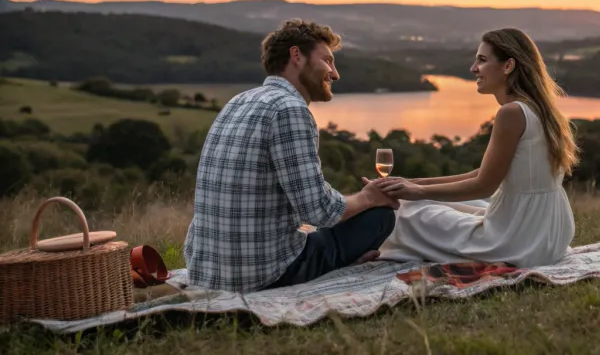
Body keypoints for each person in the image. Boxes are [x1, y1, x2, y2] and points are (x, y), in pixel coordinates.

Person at [184, 19, 398, 292]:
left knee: (321, 230)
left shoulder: (238, 101)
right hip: (261, 273)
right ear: (296, 56)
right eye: (328, 61)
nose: (335, 73)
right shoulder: (290, 110)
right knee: (379, 217)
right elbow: (320, 210)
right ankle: (339, 263)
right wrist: (369, 198)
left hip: (206, 270)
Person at [374, 28, 578, 268]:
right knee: (433, 202)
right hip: (550, 234)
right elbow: (482, 174)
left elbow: (484, 185)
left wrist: (417, 193)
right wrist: (413, 183)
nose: (473, 69)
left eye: (482, 60)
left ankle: (357, 249)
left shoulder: (511, 113)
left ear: (508, 66)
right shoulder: (541, 110)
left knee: (407, 213)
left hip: (519, 240)